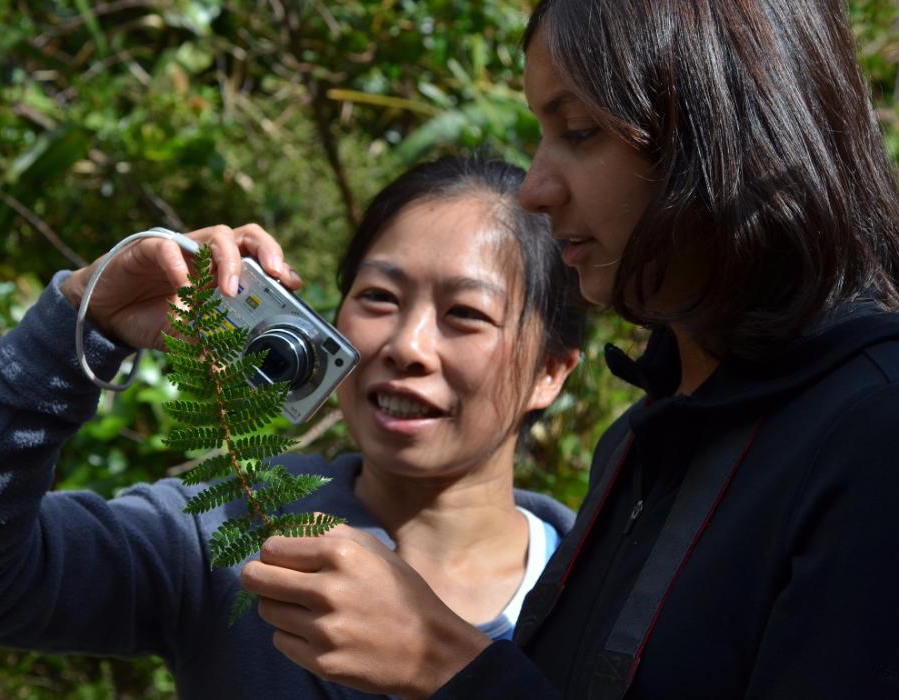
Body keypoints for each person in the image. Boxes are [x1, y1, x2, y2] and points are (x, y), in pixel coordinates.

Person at [238, 1, 899, 698]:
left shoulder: (872, 434)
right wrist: (108, 315)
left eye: (580, 132)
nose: (535, 189)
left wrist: (447, 667)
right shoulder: (642, 444)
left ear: (723, 129)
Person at [0, 154, 585, 698]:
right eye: (378, 297)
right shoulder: (227, 530)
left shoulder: (609, 589)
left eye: (465, 314)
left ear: (551, 371)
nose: (406, 345)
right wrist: (77, 327)